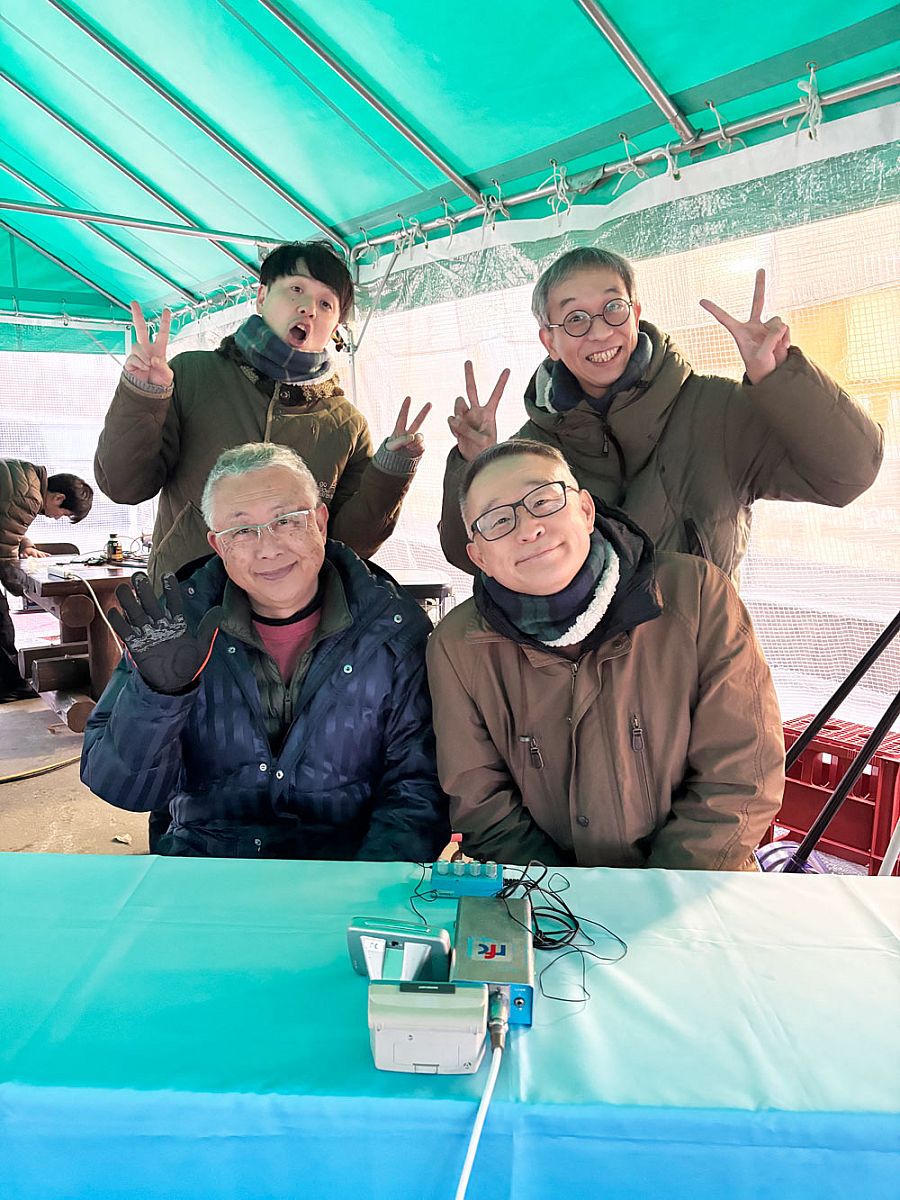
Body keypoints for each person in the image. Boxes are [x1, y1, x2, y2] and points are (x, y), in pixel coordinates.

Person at [81, 442, 449, 861]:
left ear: (320, 522)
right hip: (207, 862)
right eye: (241, 531)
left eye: (286, 521)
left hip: (346, 865)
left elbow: (417, 789)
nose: (268, 548)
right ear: (218, 545)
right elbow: (123, 788)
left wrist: (365, 886)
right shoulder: (175, 626)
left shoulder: (391, 628)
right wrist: (158, 697)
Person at [426, 440, 784, 870]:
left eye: (543, 501)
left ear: (585, 510)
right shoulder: (456, 647)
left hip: (693, 886)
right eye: (499, 520)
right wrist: (559, 897)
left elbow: (740, 775)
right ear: (479, 556)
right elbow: (482, 803)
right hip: (545, 896)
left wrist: (658, 892)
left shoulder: (696, 595)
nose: (528, 529)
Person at [440, 248, 883, 583]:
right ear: (549, 341)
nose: (599, 331)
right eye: (575, 319)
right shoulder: (531, 452)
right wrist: (475, 466)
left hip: (703, 662)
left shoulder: (717, 410)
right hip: (577, 669)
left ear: (635, 314)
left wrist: (781, 377)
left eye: (613, 308)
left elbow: (848, 475)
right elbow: (471, 557)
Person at [95, 240, 431, 586]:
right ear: (261, 296)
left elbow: (349, 547)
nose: (308, 309)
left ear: (334, 329)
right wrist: (143, 395)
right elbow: (124, 487)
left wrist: (391, 472)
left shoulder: (346, 424)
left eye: (325, 304)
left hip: (291, 611)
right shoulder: (192, 374)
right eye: (296, 289)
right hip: (186, 599)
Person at [0, 461, 93, 702]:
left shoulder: (26, 477)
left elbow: (7, 523)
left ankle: (11, 683)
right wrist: (23, 588)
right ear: (59, 498)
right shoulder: (29, 496)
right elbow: (4, 554)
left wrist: (27, 546)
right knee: (1, 622)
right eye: (65, 514)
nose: (58, 518)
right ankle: (11, 686)